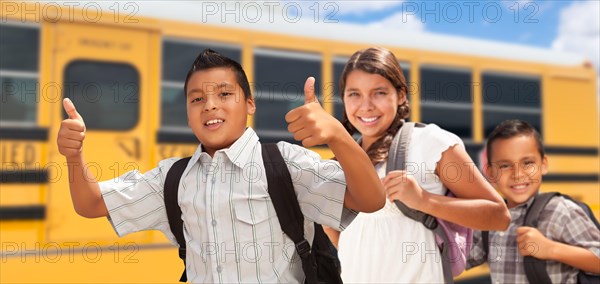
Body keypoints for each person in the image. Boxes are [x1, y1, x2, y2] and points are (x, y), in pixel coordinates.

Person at [57, 49, 385, 283]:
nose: (210, 104)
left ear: (250, 103)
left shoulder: (285, 163)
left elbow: (370, 200)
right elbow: (91, 203)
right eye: (196, 98)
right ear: (187, 112)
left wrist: (339, 137)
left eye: (225, 93)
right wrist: (75, 156)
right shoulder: (172, 178)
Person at [324, 47, 511, 283]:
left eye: (379, 93)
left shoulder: (430, 142)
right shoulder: (343, 162)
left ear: (401, 95)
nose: (366, 105)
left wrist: (423, 200)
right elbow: (355, 240)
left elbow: (499, 216)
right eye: (354, 94)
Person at [467, 119, 600, 283]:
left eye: (528, 163)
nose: (517, 174)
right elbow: (459, 260)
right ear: (490, 173)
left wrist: (551, 249)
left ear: (543, 165)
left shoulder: (560, 211)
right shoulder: (491, 219)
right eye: (504, 166)